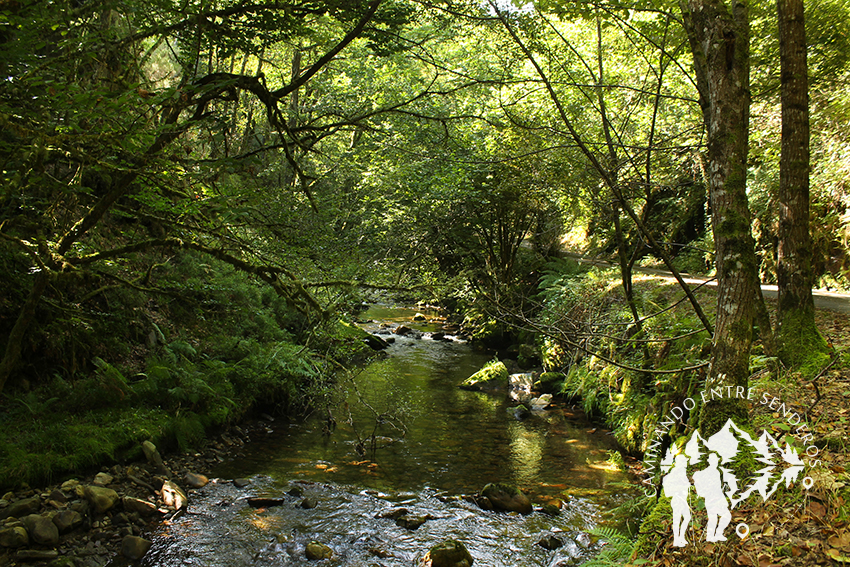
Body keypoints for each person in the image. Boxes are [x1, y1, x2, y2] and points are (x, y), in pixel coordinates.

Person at [692, 452, 732, 541]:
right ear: (709, 461)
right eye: (713, 460)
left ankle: (717, 534)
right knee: (714, 517)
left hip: (718, 497)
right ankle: (711, 536)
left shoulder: (716, 472)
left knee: (724, 516)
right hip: (711, 498)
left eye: (716, 460)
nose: (715, 462)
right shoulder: (707, 472)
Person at [662, 453, 692, 547]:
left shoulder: (682, 473)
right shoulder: (674, 474)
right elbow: (668, 490)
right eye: (683, 462)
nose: (685, 464)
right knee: (677, 520)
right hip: (677, 500)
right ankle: (676, 540)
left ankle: (681, 537)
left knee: (687, 517)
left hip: (683, 499)